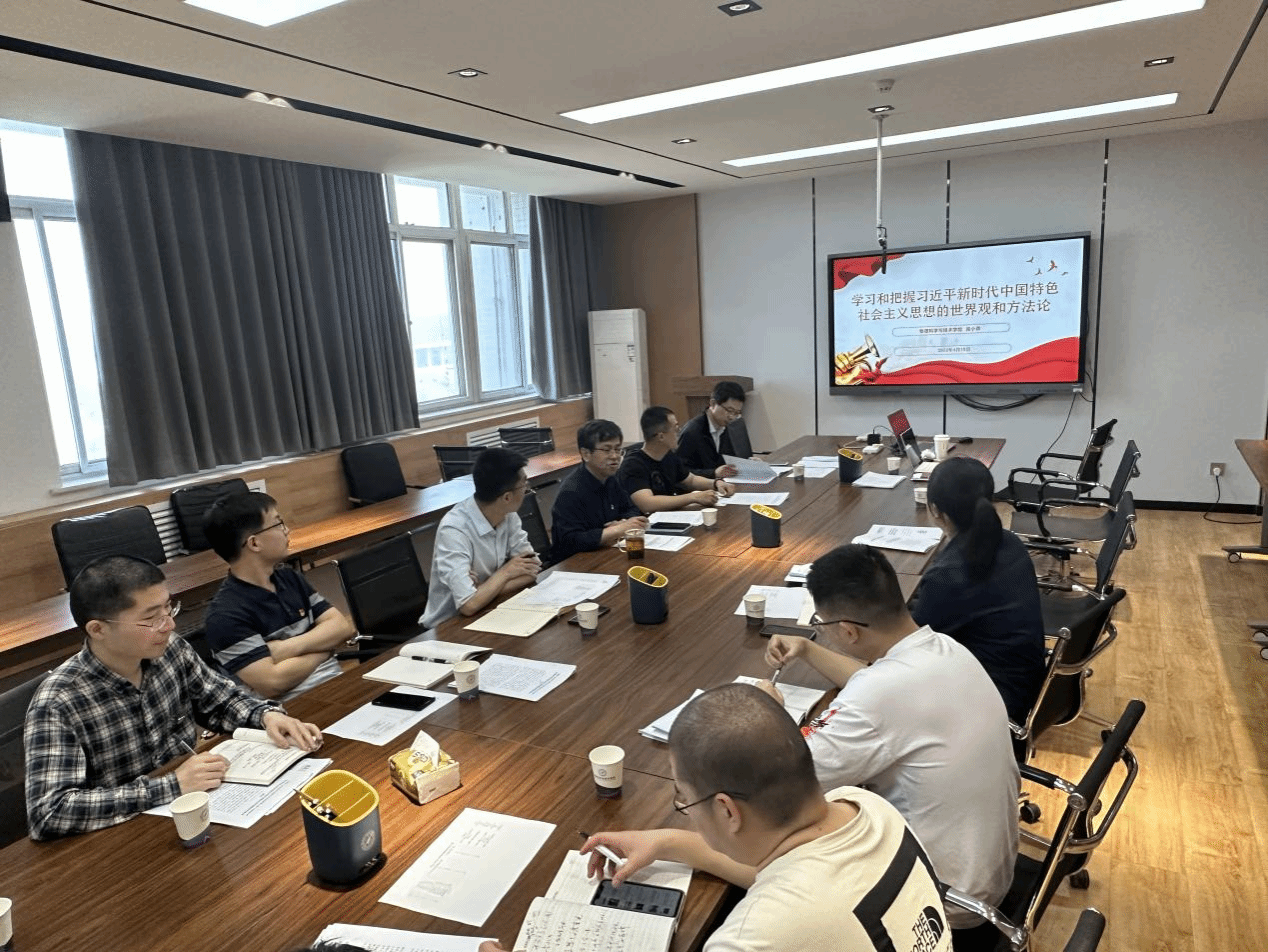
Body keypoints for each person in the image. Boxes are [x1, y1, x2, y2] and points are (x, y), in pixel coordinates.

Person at [479, 683, 950, 952]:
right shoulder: (864, 807)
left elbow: (786, 901)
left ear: (726, 809)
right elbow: (775, 873)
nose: (685, 810)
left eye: (684, 798)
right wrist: (668, 842)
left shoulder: (755, 937)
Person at [762, 544, 1018, 945]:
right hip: (986, 874)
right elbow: (873, 684)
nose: (822, 631)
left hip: (939, 903)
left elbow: (786, 779)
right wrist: (809, 648)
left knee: (773, 847)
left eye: (821, 626)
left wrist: (765, 714)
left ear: (848, 631)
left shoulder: (879, 694)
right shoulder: (943, 648)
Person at [24, 555, 322, 841]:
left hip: (198, 815)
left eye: (169, 609)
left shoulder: (170, 650)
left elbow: (221, 701)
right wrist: (171, 786)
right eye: (151, 618)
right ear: (98, 629)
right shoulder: (59, 702)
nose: (169, 625)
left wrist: (266, 716)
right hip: (122, 839)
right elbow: (49, 812)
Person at [909, 455, 1046, 722]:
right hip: (1024, 678)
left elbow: (909, 646)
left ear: (935, 510)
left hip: (993, 699)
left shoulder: (948, 576)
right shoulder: (1009, 541)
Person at [203, 491, 356, 701]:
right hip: (290, 711)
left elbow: (341, 627)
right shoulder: (224, 616)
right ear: (254, 543)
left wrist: (285, 648)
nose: (287, 530)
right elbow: (274, 683)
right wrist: (325, 650)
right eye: (278, 524)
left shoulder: (289, 578)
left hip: (338, 685)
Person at [419, 446, 541, 629]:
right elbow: (468, 605)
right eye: (524, 484)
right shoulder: (454, 529)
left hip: (490, 611)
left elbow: (532, 571)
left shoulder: (508, 515)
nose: (527, 489)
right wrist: (506, 572)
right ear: (507, 497)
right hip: (448, 627)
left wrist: (482, 589)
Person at [548, 419, 649, 563]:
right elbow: (570, 541)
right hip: (575, 563)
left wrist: (623, 522)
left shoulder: (610, 478)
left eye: (617, 449)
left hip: (606, 551)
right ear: (586, 454)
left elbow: (631, 508)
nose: (615, 456)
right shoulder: (571, 492)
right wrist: (615, 531)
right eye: (606, 450)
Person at [618, 406, 736, 513]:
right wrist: (693, 497)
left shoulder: (668, 455)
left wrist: (716, 483)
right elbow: (647, 503)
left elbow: (690, 480)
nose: (679, 432)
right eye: (675, 428)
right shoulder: (633, 464)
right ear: (661, 436)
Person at [675, 380, 746, 479]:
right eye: (729, 410)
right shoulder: (692, 432)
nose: (732, 417)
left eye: (736, 413)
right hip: (701, 487)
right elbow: (679, 472)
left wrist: (750, 463)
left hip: (722, 484)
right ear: (713, 403)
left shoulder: (727, 427)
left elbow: (730, 459)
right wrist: (713, 473)